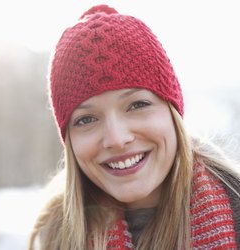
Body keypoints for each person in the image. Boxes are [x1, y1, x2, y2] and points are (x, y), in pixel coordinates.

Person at [29, 4, 240, 250]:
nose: (117, 138)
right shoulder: (58, 233)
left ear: (173, 114)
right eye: (86, 119)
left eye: (137, 105)